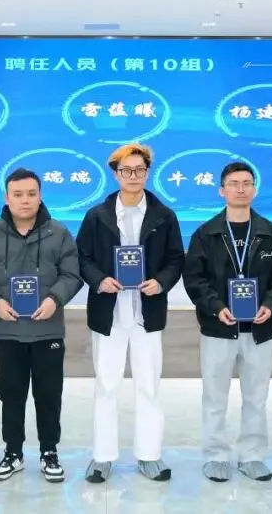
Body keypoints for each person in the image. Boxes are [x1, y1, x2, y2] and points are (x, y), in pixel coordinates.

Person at [75, 143, 185, 483]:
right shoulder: (97, 215)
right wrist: (99, 280)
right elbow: (82, 258)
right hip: (108, 313)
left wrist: (161, 282)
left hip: (146, 313)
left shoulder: (164, 215)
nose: (133, 176)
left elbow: (175, 259)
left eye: (139, 170)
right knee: (106, 385)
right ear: (116, 174)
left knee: (149, 386)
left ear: (148, 172)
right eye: (126, 170)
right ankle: (102, 457)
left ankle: (149, 455)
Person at [0, 168, 84, 483]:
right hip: (8, 330)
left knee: (49, 394)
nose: (25, 200)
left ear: (40, 196)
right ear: (7, 198)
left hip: (48, 330)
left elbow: (72, 274)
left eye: (31, 194)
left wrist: (55, 299)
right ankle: (13, 452)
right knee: (11, 393)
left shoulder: (58, 233)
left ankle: (49, 452)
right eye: (18, 194)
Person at [183, 162, 272, 483]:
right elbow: (195, 279)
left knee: (256, 398)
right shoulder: (206, 233)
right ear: (222, 190)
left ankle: (252, 456)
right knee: (215, 397)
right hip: (218, 328)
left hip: (259, 330)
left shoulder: (271, 233)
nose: (241, 189)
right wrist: (216, 307)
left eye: (247, 183)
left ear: (254, 190)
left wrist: (271, 304)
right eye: (234, 183)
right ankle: (216, 455)